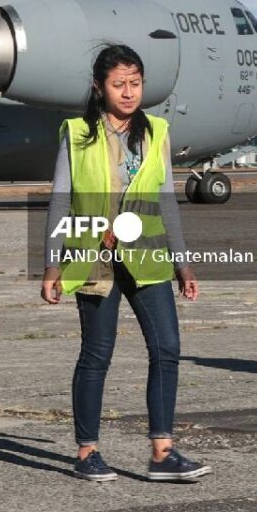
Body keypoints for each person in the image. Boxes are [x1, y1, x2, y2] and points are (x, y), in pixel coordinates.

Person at [41, 44, 209, 483]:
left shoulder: (156, 131)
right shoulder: (77, 133)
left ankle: (162, 451)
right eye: (119, 84)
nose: (129, 92)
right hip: (94, 259)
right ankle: (87, 452)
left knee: (167, 348)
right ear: (100, 87)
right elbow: (60, 201)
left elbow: (166, 200)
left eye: (135, 83)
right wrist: (51, 265)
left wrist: (183, 263)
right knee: (97, 354)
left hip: (148, 258)